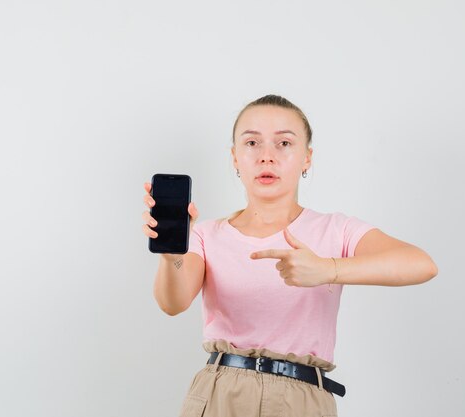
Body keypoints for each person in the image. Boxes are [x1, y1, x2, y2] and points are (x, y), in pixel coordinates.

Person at [141, 94, 438, 417]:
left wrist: (328, 269)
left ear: (307, 158)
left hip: (302, 399)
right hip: (219, 394)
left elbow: (421, 264)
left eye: (284, 144)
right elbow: (172, 303)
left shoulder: (335, 230)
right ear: (235, 158)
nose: (267, 156)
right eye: (252, 143)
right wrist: (172, 256)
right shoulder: (206, 234)